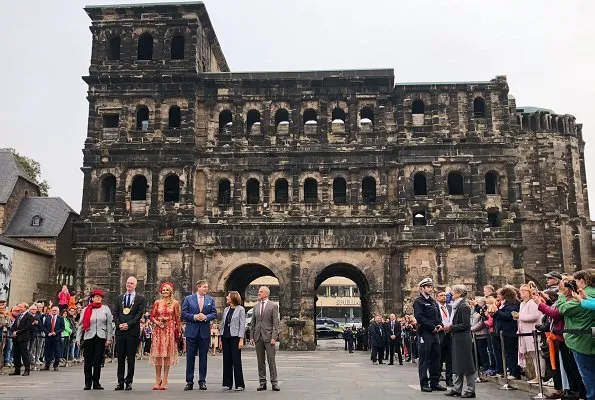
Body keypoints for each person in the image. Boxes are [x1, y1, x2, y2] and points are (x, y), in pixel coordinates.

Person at [557, 269, 595, 400]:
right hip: (589, 336)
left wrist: (562, 295)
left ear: (582, 281)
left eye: (577, 281)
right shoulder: (587, 294)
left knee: (588, 374)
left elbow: (563, 309)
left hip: (582, 340)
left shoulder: (586, 293)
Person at [182, 279, 217, 391]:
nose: (206, 289)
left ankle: (202, 381)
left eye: (207, 287)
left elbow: (214, 313)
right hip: (192, 332)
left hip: (204, 332)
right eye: (204, 287)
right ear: (198, 287)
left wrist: (206, 317)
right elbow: (183, 313)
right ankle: (189, 381)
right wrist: (194, 316)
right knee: (190, 358)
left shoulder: (210, 300)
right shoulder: (189, 299)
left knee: (203, 358)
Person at [413, 277, 447, 392]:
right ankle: (424, 383)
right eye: (428, 287)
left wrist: (440, 325)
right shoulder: (419, 301)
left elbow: (438, 316)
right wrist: (431, 327)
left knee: (436, 358)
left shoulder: (433, 301)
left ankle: (435, 382)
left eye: (431, 286)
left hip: (435, 333)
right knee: (424, 359)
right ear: (422, 288)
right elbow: (419, 317)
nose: (430, 289)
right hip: (425, 332)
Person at [76, 289, 114, 390]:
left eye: (100, 297)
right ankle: (88, 382)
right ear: (92, 298)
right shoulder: (86, 309)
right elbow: (81, 325)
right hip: (89, 336)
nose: (98, 298)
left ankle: (96, 382)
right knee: (88, 360)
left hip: (101, 336)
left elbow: (109, 325)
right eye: (96, 296)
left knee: (98, 360)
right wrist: (78, 338)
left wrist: (109, 338)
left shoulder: (105, 309)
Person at [113, 276, 146, 391]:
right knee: (120, 358)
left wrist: (129, 324)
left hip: (132, 331)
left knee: (130, 358)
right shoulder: (119, 297)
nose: (129, 285)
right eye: (127, 283)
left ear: (135, 285)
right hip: (120, 331)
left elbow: (138, 315)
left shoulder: (140, 299)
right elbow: (115, 313)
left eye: (131, 283)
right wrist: (119, 324)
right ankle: (120, 382)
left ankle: (129, 382)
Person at [444, 285, 477, 398]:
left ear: (459, 293)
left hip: (463, 338)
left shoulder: (464, 306)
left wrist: (451, 327)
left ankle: (471, 389)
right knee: (457, 363)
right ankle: (457, 388)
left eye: (453, 292)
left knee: (467, 364)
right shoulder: (456, 306)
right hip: (457, 337)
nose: (451, 294)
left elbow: (466, 325)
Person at [149, 281, 181, 391]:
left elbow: (177, 318)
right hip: (159, 330)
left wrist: (179, 331)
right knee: (158, 355)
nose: (165, 291)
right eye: (164, 290)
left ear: (171, 291)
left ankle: (165, 379)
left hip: (170, 330)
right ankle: (157, 379)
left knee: (167, 355)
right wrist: (158, 322)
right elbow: (152, 316)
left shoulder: (175, 303)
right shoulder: (157, 302)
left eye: (167, 290)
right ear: (161, 291)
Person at [249, 286, 280, 391]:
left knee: (271, 361)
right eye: (259, 292)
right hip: (258, 337)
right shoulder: (255, 307)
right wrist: (251, 337)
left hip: (269, 337)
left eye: (261, 292)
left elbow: (276, 323)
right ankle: (262, 382)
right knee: (260, 361)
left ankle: (274, 382)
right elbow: (253, 323)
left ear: (267, 294)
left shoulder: (273, 306)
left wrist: (274, 337)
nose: (259, 293)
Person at [516, 282, 543, 383]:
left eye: (524, 291)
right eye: (520, 291)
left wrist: (520, 317)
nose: (521, 293)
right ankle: (536, 375)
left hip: (533, 332)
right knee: (532, 355)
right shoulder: (522, 303)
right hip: (525, 332)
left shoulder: (532, 303)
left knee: (537, 355)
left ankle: (540, 375)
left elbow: (535, 316)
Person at [219, 291, 246, 391]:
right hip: (225, 336)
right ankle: (227, 383)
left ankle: (239, 384)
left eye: (228, 296)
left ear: (233, 297)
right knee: (226, 360)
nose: (226, 297)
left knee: (236, 360)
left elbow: (242, 325)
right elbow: (223, 324)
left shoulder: (241, 309)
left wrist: (241, 339)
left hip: (235, 337)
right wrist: (220, 339)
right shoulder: (226, 309)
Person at [9, 303, 33, 376]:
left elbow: (27, 327)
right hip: (16, 338)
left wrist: (18, 332)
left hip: (23, 338)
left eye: (21, 307)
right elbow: (14, 325)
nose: (19, 308)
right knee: (16, 354)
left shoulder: (29, 316)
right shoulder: (18, 316)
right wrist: (13, 331)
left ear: (25, 308)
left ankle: (27, 370)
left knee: (24, 354)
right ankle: (17, 370)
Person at [437, 290, 454, 386]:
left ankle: (449, 378)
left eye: (445, 295)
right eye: (441, 295)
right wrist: (441, 326)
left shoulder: (450, 307)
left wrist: (450, 327)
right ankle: (438, 375)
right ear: (437, 297)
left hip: (449, 333)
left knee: (449, 357)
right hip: (440, 333)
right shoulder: (435, 308)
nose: (444, 297)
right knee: (439, 356)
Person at [41, 306, 64, 371]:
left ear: (58, 311)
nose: (54, 311)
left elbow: (62, 328)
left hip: (56, 337)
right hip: (48, 337)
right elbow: (44, 327)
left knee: (57, 352)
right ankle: (47, 365)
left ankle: (56, 365)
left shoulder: (61, 318)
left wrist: (56, 333)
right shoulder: (48, 318)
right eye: (53, 310)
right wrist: (47, 333)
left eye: (55, 310)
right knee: (47, 351)